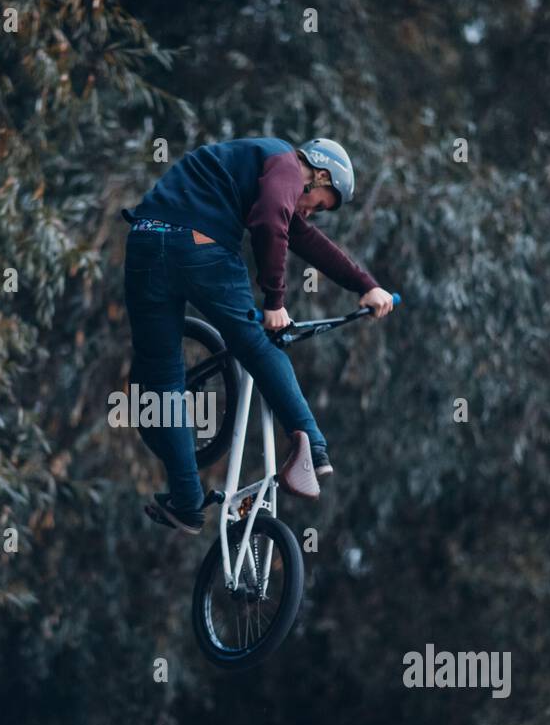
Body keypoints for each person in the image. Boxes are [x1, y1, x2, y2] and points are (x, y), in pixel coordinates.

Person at [121, 136, 397, 534]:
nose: (310, 212)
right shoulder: (285, 162)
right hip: (200, 244)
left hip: (147, 241)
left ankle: (186, 502)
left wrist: (364, 284)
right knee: (253, 342)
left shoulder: (263, 171)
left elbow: (303, 238)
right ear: (318, 174)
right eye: (318, 203)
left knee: (163, 380)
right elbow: (271, 221)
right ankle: (313, 446)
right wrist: (274, 300)